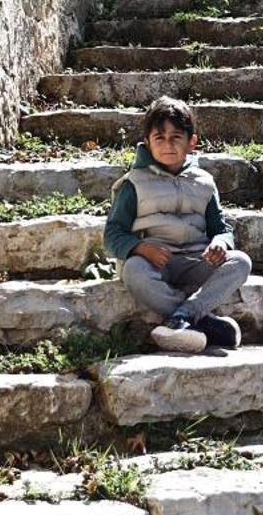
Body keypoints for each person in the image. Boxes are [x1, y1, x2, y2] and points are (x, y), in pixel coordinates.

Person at [102, 96, 251, 354]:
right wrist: (140, 249)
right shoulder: (134, 183)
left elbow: (221, 228)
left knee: (240, 262)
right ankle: (202, 322)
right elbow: (112, 235)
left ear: (191, 142)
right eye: (159, 138)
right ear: (147, 142)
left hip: (196, 260)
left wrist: (219, 243)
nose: (167, 145)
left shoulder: (204, 182)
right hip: (154, 263)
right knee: (134, 270)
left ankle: (182, 317)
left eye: (176, 137)